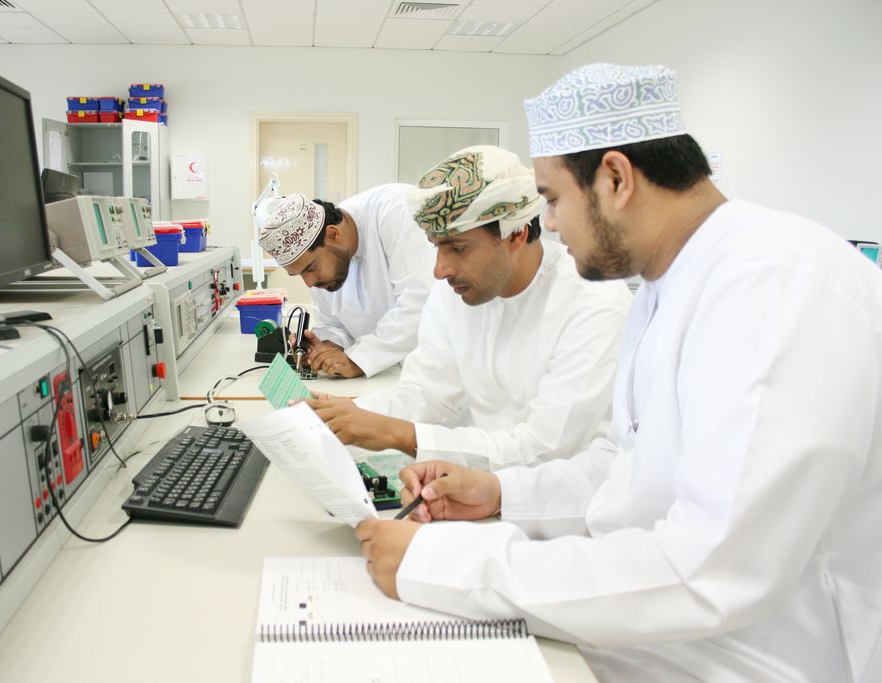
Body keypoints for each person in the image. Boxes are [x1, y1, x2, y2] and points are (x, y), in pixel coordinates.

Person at [354, 63, 882, 682]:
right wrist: (501, 493)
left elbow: (711, 569)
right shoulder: (666, 285)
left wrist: (447, 567)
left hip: (761, 658)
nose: (547, 225)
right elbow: (625, 467)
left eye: (553, 200)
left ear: (615, 178)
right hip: (658, 624)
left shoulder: (773, 287)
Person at [309, 145, 631, 469]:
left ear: (515, 234)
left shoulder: (593, 303)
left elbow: (546, 447)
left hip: (563, 493)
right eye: (436, 247)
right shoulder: (455, 291)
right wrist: (340, 416)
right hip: (480, 482)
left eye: (458, 248)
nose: (439, 270)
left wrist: (401, 435)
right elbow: (427, 391)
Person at [258, 185, 434, 378]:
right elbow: (333, 323)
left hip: (437, 370)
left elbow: (421, 303)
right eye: (299, 274)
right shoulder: (323, 261)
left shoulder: (396, 212)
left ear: (333, 235)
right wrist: (324, 347)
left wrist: (359, 360)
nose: (308, 282)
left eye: (310, 268)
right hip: (389, 377)